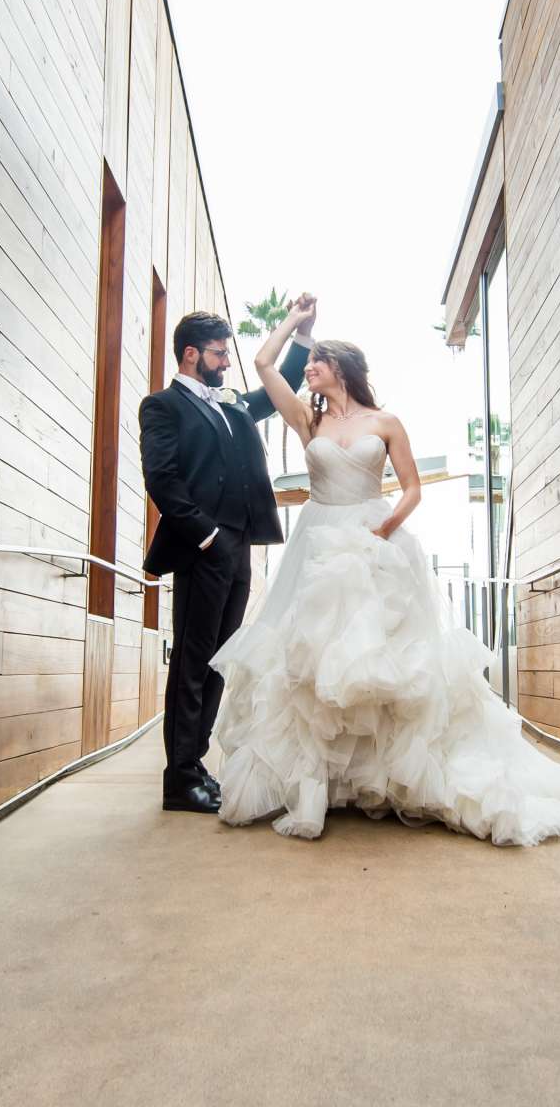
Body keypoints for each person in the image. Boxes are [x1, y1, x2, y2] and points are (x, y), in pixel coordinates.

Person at [209, 293, 560, 844]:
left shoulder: (387, 421)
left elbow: (413, 489)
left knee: (382, 659)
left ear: (340, 367)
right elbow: (265, 366)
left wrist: (385, 531)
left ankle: (387, 778)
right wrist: (297, 325)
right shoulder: (307, 421)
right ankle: (320, 784)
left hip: (375, 540)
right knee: (312, 664)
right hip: (319, 544)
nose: (310, 370)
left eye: (317, 361)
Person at [138, 308, 313, 814]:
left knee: (218, 662)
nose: (225, 364)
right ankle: (179, 777)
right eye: (218, 354)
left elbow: (281, 386)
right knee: (192, 663)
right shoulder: (163, 406)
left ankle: (197, 764)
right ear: (191, 354)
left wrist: (302, 333)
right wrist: (207, 536)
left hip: (238, 549)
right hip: (204, 547)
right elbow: (163, 479)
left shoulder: (232, 404)